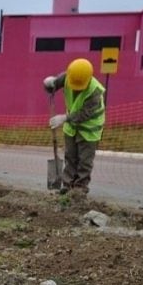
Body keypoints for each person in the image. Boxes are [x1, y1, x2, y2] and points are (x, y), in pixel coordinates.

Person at [43, 58, 106, 195]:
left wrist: (65, 118)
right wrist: (49, 84)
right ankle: (67, 185)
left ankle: (79, 189)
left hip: (89, 129)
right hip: (72, 126)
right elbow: (52, 88)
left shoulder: (95, 91)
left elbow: (85, 113)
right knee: (70, 156)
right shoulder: (68, 76)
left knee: (84, 161)